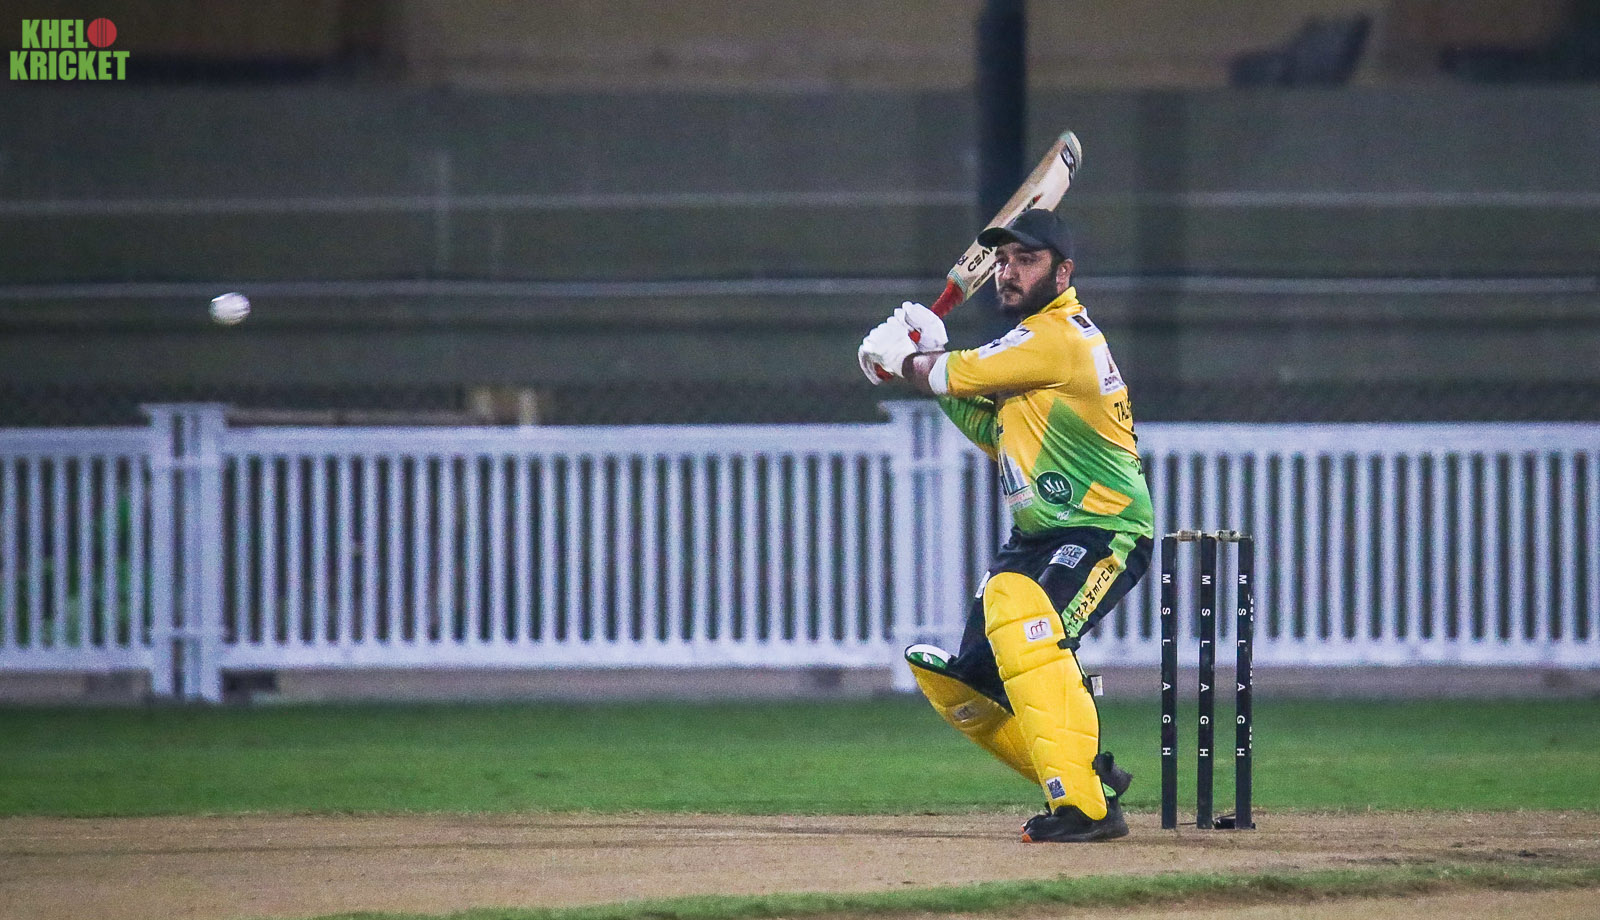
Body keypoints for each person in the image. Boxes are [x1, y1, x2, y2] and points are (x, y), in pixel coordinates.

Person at [856, 208, 1154, 842]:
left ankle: (1086, 811)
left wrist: (911, 359)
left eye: (1027, 260)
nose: (1008, 272)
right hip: (1038, 535)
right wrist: (920, 360)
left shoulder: (1058, 337)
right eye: (1004, 261)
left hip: (1104, 531)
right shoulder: (1030, 348)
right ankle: (1089, 783)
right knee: (970, 684)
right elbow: (994, 430)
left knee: (1028, 632)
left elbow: (955, 373)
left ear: (1063, 273)